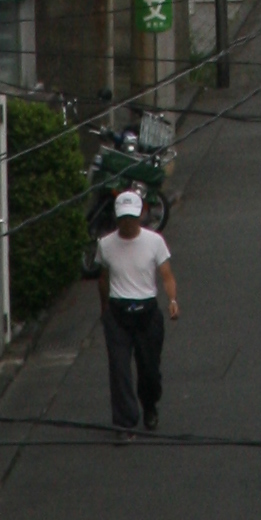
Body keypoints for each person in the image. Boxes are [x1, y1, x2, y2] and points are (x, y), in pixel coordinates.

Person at [96, 184, 178, 436]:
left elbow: (166, 275)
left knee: (149, 370)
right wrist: (105, 309)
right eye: (124, 219)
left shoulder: (154, 242)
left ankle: (150, 405)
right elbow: (103, 277)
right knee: (119, 371)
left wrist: (172, 299)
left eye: (132, 218)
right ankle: (124, 422)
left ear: (141, 215)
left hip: (147, 313)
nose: (128, 223)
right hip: (118, 314)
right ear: (117, 218)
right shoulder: (106, 245)